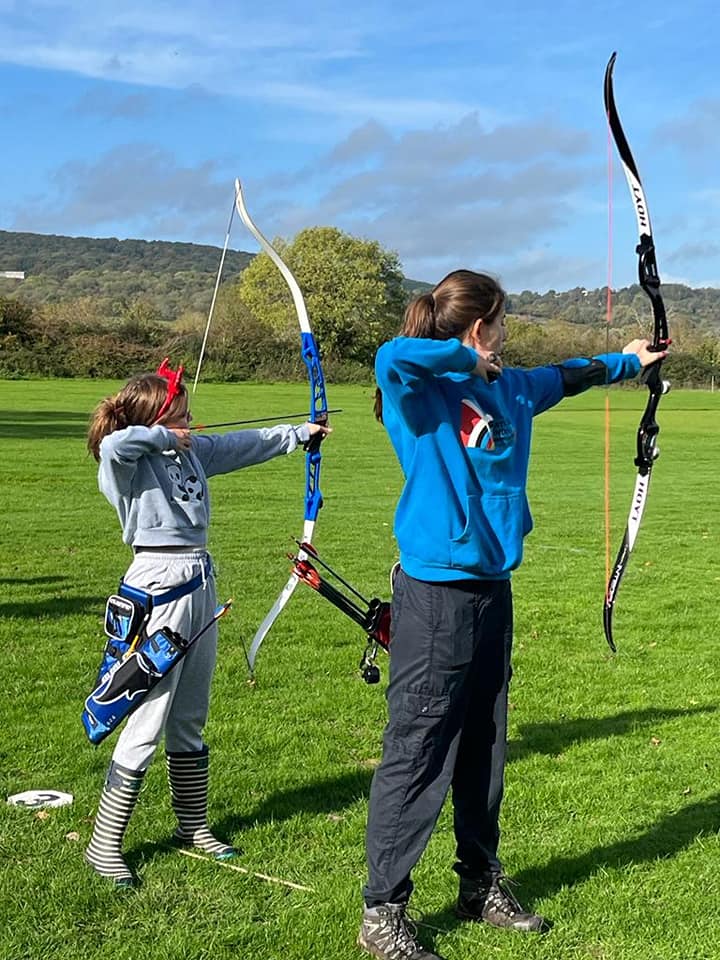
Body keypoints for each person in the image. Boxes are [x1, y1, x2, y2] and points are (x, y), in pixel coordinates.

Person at [358, 270, 665, 960]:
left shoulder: (513, 388)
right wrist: (467, 360)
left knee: (484, 745)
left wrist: (631, 361)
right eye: (498, 322)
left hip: (492, 590)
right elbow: (392, 357)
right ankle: (383, 911)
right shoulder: (425, 390)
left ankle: (479, 883)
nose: (505, 334)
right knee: (419, 750)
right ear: (478, 326)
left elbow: (569, 373)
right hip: (435, 596)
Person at [84, 358, 330, 887]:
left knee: (190, 714)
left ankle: (192, 828)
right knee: (146, 718)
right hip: (156, 585)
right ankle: (103, 846)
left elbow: (245, 443)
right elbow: (113, 446)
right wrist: (161, 437)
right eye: (181, 416)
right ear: (151, 420)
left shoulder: (192, 452)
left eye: (189, 417)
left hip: (199, 580)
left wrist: (301, 433)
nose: (191, 426)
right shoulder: (129, 462)